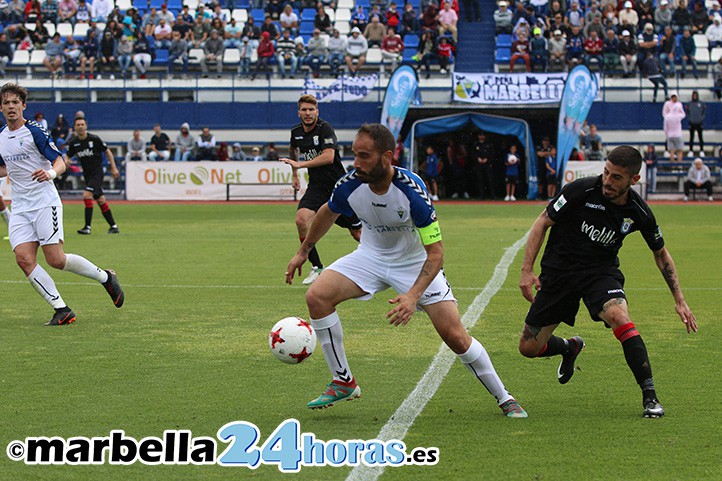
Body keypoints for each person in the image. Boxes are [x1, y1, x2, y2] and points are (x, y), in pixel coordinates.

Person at [284, 123, 528, 417]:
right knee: (317, 297)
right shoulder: (349, 184)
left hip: (415, 263)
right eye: (354, 155)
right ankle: (343, 381)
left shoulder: (412, 192)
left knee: (455, 335)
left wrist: (412, 296)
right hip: (371, 257)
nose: (356, 163)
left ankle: (505, 397)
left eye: (364, 156)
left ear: (387, 157)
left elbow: (436, 254)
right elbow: (327, 212)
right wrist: (303, 251)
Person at [518, 145, 698, 418]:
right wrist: (526, 270)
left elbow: (661, 254)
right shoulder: (580, 191)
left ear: (633, 180)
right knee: (528, 348)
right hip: (559, 273)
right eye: (606, 173)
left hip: (599, 273)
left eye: (616, 177)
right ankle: (570, 346)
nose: (607, 181)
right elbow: (542, 221)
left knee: (618, 315)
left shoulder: (639, 211)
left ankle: (650, 397)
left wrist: (679, 300)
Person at [0, 83, 124, 326]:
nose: (11, 106)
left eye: (15, 102)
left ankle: (105, 277)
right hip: (21, 207)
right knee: (24, 259)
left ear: (23, 106)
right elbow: (5, 168)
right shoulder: (1, 137)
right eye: (6, 103)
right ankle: (62, 309)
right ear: (1, 108)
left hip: (45, 202)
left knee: (55, 260)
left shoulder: (35, 131)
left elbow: (59, 161)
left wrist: (51, 174)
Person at [280, 95, 362, 286]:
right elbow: (293, 151)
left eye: (311, 110)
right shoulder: (296, 132)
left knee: (357, 233)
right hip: (317, 187)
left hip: (337, 187)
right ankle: (316, 266)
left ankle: (384, 261)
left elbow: (328, 157)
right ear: (298, 112)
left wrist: (301, 165)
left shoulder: (325, 128)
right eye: (304, 110)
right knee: (301, 220)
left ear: (317, 111)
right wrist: (294, 174)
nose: (308, 113)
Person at [64, 116, 120, 235]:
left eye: (82, 124)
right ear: (75, 127)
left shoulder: (94, 139)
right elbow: (68, 155)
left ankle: (87, 227)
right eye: (78, 125)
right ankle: (113, 226)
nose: (80, 127)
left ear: (86, 126)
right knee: (100, 200)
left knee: (86, 195)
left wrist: (113, 167)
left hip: (97, 173)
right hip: (87, 175)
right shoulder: (74, 143)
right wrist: (67, 160)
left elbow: (107, 151)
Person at [662, 92, 685, 162]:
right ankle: (679, 165)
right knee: (679, 151)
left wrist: (667, 134)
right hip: (677, 134)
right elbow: (683, 114)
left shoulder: (668, 117)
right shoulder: (679, 116)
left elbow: (665, 127)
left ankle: (673, 165)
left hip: (670, 134)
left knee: (672, 151)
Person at [472, 131, 495, 200]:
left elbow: (492, 153)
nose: (481, 136)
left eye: (483, 135)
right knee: (480, 180)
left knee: (490, 180)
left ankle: (492, 195)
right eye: (480, 135)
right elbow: (472, 154)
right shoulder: (475, 144)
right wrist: (477, 158)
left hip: (488, 164)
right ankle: (482, 195)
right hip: (479, 165)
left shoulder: (489, 144)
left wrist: (487, 159)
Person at [685, 91, 705, 157]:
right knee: (691, 137)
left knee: (700, 137)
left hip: (699, 123)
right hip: (692, 123)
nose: (694, 97)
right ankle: (691, 150)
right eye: (694, 95)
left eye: (696, 95)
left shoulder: (701, 103)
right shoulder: (689, 104)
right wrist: (690, 118)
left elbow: (703, 112)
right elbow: (687, 112)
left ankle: (701, 150)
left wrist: (701, 119)